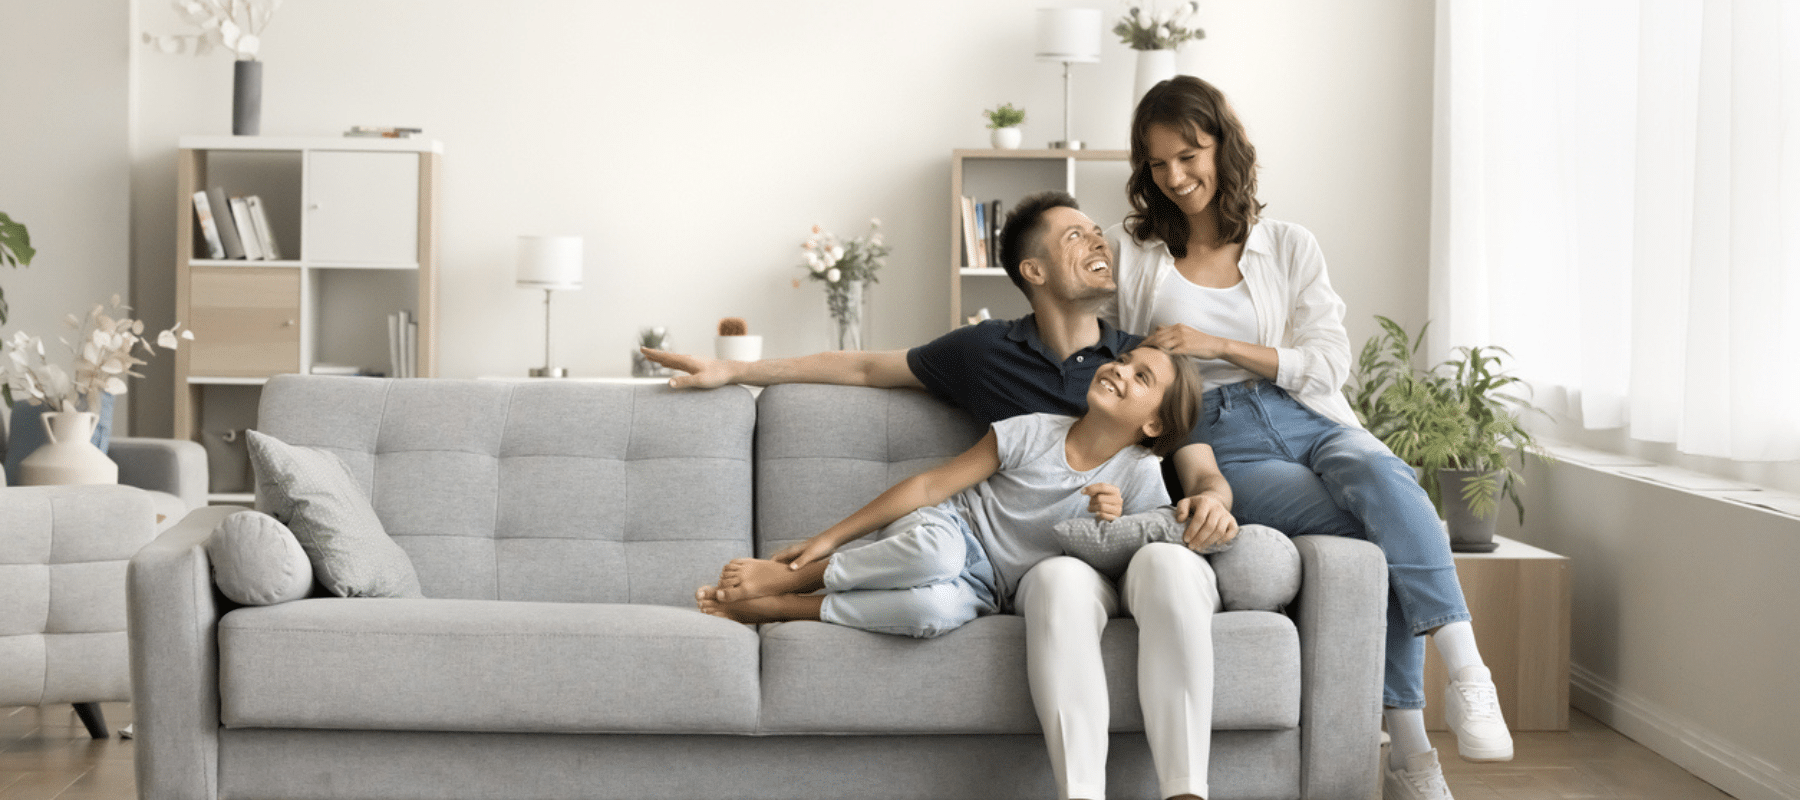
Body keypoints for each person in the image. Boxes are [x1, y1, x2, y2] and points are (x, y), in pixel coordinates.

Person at [643, 191, 1226, 800]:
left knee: (952, 603)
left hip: (1108, 557)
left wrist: (1210, 499)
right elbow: (867, 369)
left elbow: (1193, 464)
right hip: (1023, 566)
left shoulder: (1147, 364)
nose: (1099, 239)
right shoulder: (986, 352)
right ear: (1034, 271)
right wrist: (735, 371)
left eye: (1095, 231)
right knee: (980, 574)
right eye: (1075, 236)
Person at [1104, 75, 1510, 800]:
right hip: (1216, 434)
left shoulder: (1288, 245)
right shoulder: (1135, 251)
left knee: (1388, 481)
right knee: (1367, 533)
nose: (1175, 177)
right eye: (1158, 163)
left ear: (1224, 146)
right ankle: (1413, 751)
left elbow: (1329, 362)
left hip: (1306, 409)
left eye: (1189, 155)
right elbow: (1097, 341)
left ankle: (1470, 669)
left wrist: (1215, 342)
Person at [697, 345, 1200, 643]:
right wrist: (827, 540)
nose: (1119, 369)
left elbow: (1144, 548)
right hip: (945, 528)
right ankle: (798, 579)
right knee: (937, 554)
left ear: (1155, 421)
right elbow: (929, 486)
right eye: (1124, 359)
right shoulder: (1031, 431)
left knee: (932, 614)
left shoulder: (1140, 474)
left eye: (1141, 377)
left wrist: (1112, 521)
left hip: (988, 590)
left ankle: (785, 609)